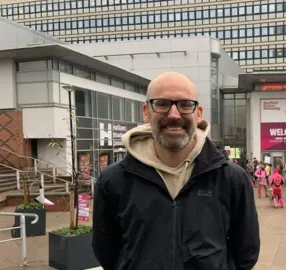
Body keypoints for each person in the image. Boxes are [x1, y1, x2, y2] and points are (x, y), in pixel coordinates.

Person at [92, 72, 260, 270]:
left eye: (185, 104)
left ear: (198, 113)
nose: (173, 114)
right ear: (146, 111)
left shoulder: (231, 178)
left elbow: (246, 253)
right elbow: (107, 252)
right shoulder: (113, 181)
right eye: (162, 104)